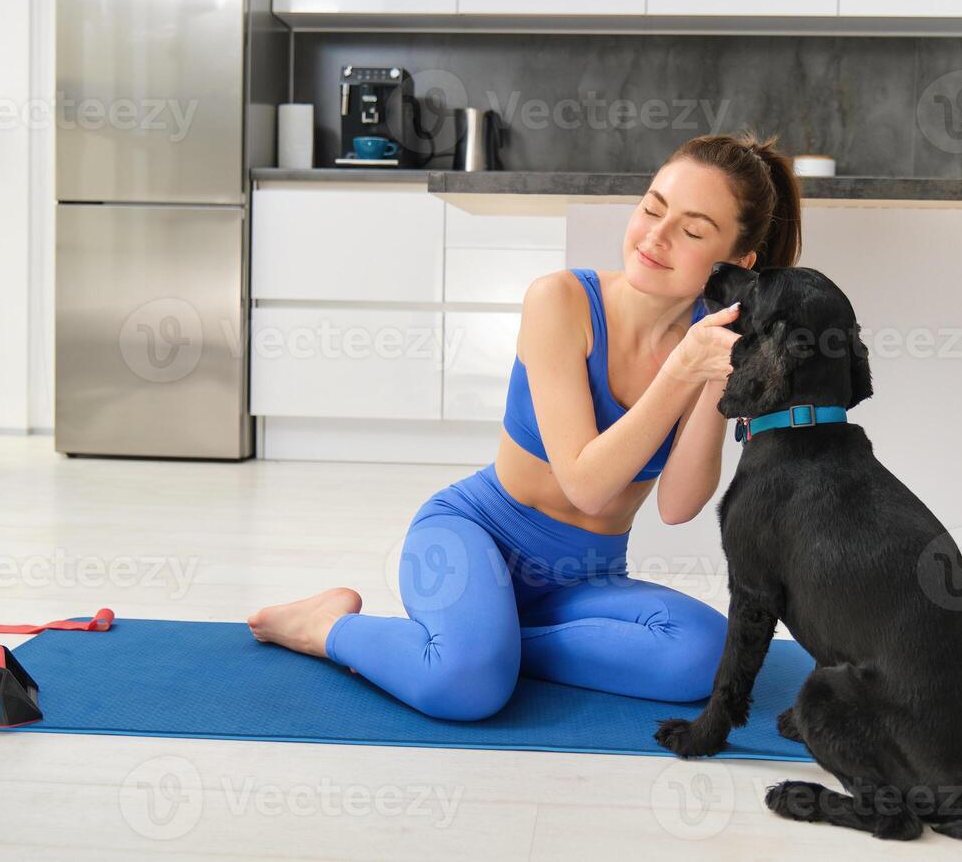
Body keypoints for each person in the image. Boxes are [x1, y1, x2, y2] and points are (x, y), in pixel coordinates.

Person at [248, 131, 804, 720]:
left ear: (738, 261)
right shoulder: (560, 301)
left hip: (583, 582)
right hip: (472, 538)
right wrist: (681, 371)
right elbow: (585, 484)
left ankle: (491, 644)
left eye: (692, 231)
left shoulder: (710, 340)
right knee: (467, 689)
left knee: (706, 657)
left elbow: (677, 506)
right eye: (651, 207)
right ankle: (328, 626)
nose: (656, 237)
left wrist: (716, 373)